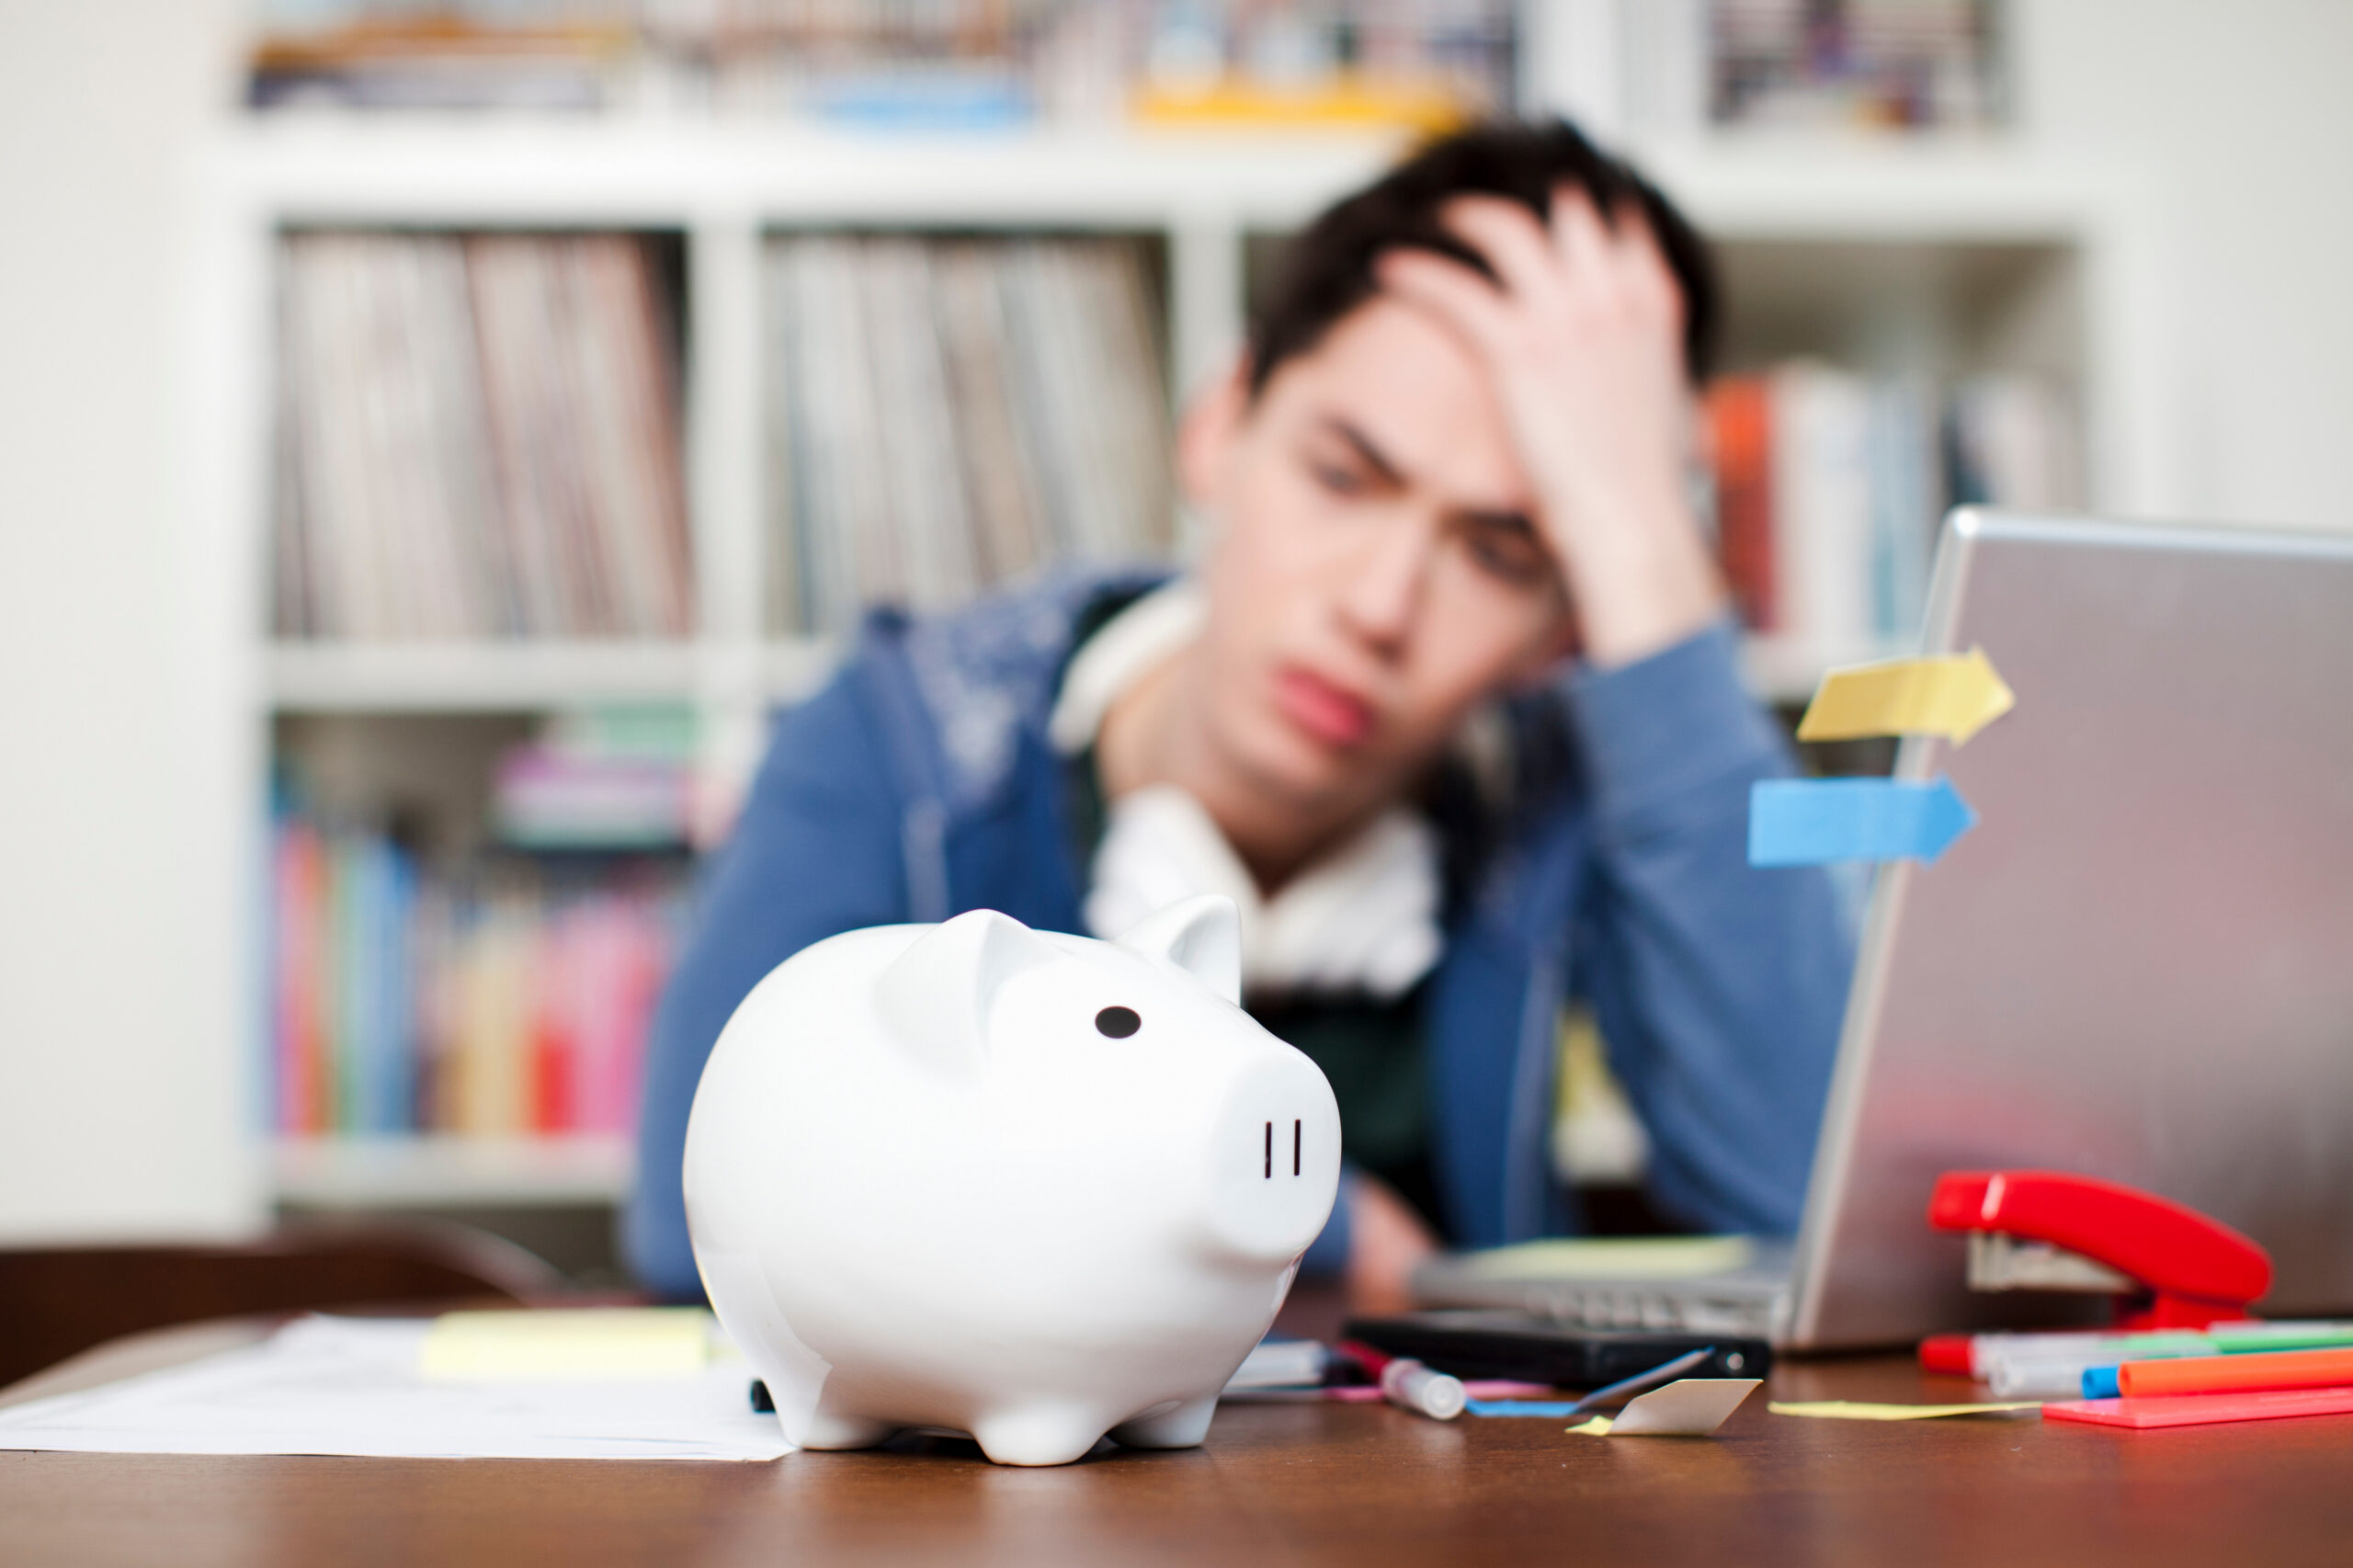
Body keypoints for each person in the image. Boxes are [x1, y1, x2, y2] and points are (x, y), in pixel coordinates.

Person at [625, 119, 1851, 1312]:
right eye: (1342, 475)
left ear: (1563, 625)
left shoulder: (1562, 799)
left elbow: (1810, 1195)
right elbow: (701, 1208)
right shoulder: (908, 739)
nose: (1379, 605)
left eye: (1500, 549)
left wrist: (1638, 539)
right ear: (1219, 424)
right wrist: (1295, 1200)